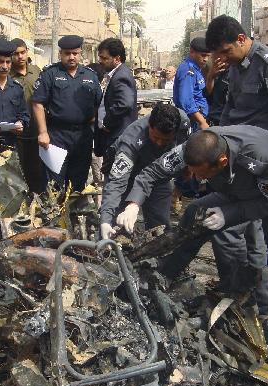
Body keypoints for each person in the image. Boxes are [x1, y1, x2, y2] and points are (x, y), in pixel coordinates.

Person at [118, 126, 268, 375]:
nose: (195, 179)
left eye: (201, 174)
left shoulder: (260, 158)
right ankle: (161, 278)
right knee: (195, 211)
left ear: (222, 161)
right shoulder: (193, 147)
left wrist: (229, 214)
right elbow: (153, 171)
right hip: (236, 194)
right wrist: (133, 204)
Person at [205, 15, 268, 148]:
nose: (223, 58)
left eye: (226, 51)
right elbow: (230, 106)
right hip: (237, 145)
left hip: (262, 149)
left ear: (241, 39)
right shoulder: (235, 65)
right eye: (219, 54)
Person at [99, 104, 190, 240]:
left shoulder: (183, 122)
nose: (159, 143)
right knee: (117, 224)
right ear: (149, 125)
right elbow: (116, 183)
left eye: (165, 140)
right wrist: (105, 220)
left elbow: (186, 147)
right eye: (155, 137)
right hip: (128, 178)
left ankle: (159, 257)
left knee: (160, 227)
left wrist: (187, 167)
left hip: (159, 177)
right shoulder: (131, 140)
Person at [31, 35, 102, 191]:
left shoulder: (90, 75)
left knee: (78, 182)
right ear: (60, 54)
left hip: (83, 135)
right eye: (67, 53)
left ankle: (74, 214)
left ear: (80, 53)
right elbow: (37, 102)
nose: (71, 57)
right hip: (57, 135)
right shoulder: (50, 73)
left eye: (75, 53)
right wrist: (43, 132)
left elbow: (100, 104)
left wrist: (91, 119)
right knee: (54, 183)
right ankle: (54, 215)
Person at [94, 38, 137, 174]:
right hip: (113, 137)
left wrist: (107, 123)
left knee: (115, 180)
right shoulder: (115, 75)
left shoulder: (121, 76)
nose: (100, 61)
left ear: (117, 58)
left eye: (104, 58)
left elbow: (124, 104)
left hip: (118, 137)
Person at [10, 38, 43, 192]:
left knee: (37, 172)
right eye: (16, 54)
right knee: (18, 173)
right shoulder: (7, 75)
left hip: (37, 131)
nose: (20, 57)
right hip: (16, 132)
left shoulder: (36, 71)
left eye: (23, 52)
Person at [173, 38, 210, 131]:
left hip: (197, 120)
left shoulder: (196, 69)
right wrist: (202, 122)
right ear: (192, 52)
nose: (206, 59)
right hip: (192, 122)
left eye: (208, 56)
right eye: (203, 55)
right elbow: (186, 101)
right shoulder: (188, 70)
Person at [204, 56, 229, 126]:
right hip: (214, 120)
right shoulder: (218, 72)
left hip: (227, 123)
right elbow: (208, 95)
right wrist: (210, 77)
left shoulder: (235, 72)